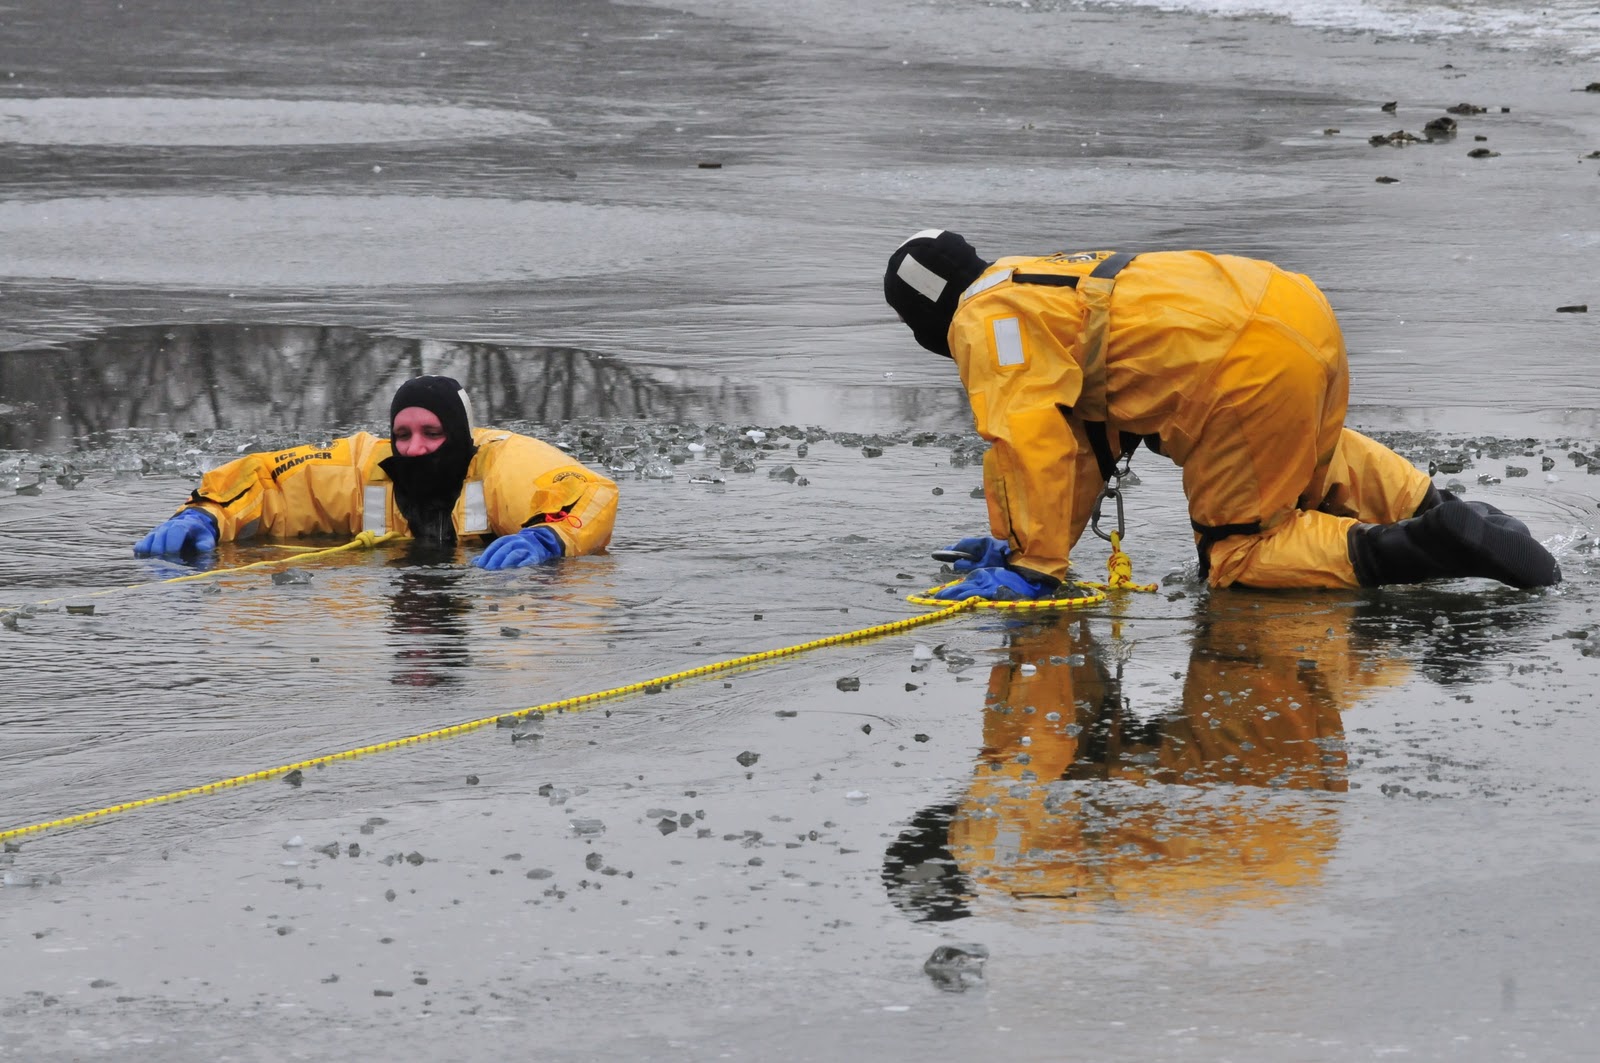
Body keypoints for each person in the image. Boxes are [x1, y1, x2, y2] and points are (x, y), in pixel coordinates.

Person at [883, 230, 1561, 598]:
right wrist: (1021, 536)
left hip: (1240, 369)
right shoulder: (1039, 278)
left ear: (926, 319)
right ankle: (1447, 509)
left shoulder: (986, 321)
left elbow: (1029, 440)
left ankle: (1428, 543)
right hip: (1294, 308)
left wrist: (1033, 565)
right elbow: (1088, 443)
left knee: (1240, 553)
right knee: (1308, 455)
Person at [133, 375, 617, 569]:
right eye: (403, 434)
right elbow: (273, 482)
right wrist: (207, 514)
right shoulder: (367, 466)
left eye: (432, 433)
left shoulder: (505, 464)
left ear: (459, 433)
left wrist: (551, 537)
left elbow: (587, 494)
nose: (415, 448)